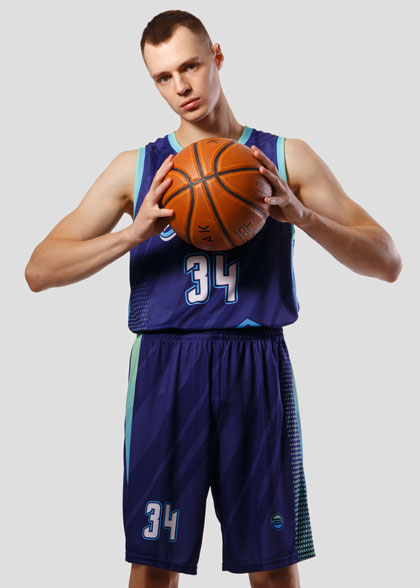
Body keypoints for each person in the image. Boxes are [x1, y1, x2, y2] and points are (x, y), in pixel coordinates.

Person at [25, 9, 402, 588]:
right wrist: (131, 234)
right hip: (165, 367)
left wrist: (303, 218)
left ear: (217, 57)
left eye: (191, 66)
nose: (181, 86)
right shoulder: (137, 169)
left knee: (273, 569)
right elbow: (39, 269)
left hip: (255, 364)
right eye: (163, 76)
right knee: (154, 567)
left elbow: (387, 261)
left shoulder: (284, 157)